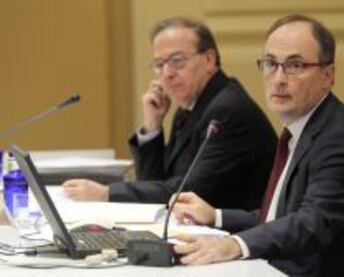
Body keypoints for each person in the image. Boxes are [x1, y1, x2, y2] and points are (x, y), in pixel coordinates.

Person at [170, 15, 344, 276]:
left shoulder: (340, 142)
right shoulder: (306, 127)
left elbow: (311, 224)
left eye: (295, 65)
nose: (279, 78)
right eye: (271, 64)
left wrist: (234, 244)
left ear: (328, 76)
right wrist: (216, 216)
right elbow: (281, 216)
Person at [62, 17, 277, 210]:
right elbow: (155, 183)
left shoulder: (227, 111)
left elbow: (186, 192)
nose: (167, 74)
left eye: (177, 61)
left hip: (240, 239)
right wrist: (152, 127)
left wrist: (107, 193)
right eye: (159, 64)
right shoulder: (191, 105)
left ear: (209, 60)